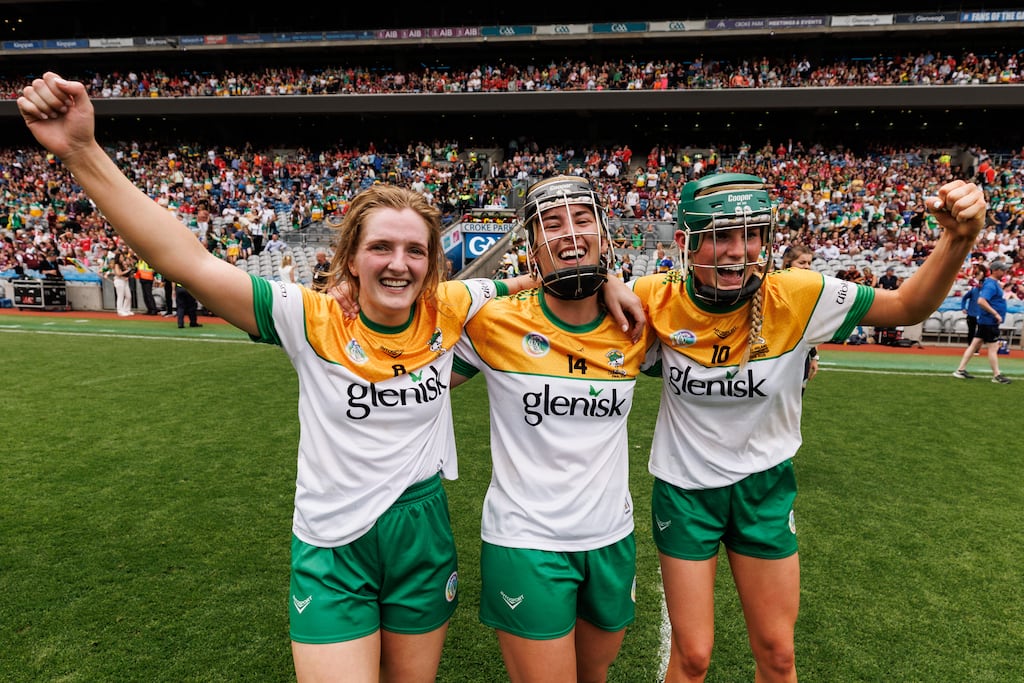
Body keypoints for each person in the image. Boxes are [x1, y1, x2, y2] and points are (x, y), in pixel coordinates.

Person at [17, 73, 644, 683]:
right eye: (381, 248)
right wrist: (81, 151)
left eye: (416, 252)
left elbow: (545, 279)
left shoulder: (451, 307)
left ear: (432, 266)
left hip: (422, 532)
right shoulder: (305, 316)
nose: (399, 264)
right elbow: (184, 259)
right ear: (350, 257)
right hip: (331, 542)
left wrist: (609, 278)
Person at [627, 172, 985, 682]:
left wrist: (958, 238)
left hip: (765, 489)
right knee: (692, 657)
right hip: (685, 494)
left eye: (750, 234)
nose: (738, 251)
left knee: (777, 654)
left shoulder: (800, 293)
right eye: (721, 235)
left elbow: (908, 306)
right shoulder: (652, 296)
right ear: (687, 241)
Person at [451, 175, 655, 683]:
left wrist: (803, 357)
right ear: (532, 247)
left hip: (611, 536)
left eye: (583, 220)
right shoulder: (494, 321)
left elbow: (722, 331)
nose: (569, 233)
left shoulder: (636, 323)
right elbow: (413, 348)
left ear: (606, 236)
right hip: (526, 540)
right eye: (551, 224)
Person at [952, 260, 1012, 384]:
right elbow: (981, 301)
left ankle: (960, 370)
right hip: (989, 320)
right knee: (993, 347)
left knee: (974, 344)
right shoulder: (990, 284)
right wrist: (995, 313)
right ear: (996, 270)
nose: (1005, 272)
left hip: (987, 320)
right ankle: (996, 375)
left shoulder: (993, 283)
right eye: (1003, 270)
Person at [781, 244, 818, 391]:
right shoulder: (775, 285)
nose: (807, 267)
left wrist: (814, 357)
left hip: (800, 356)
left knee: (796, 402)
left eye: (809, 263)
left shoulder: (811, 291)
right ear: (789, 262)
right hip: (775, 356)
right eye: (802, 263)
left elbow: (809, 328)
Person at [960, 264, 985, 344]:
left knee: (980, 332)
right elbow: (964, 298)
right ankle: (971, 346)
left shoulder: (986, 293)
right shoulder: (974, 290)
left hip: (981, 314)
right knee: (971, 331)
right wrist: (963, 307)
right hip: (971, 314)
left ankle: (976, 347)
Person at [110, 245, 135, 317]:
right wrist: (126, 271)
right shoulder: (116, 265)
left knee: (128, 296)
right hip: (119, 281)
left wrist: (127, 267)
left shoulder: (122, 264)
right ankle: (120, 310)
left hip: (124, 280)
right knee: (120, 296)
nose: (122, 258)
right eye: (121, 257)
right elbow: (118, 273)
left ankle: (126, 309)